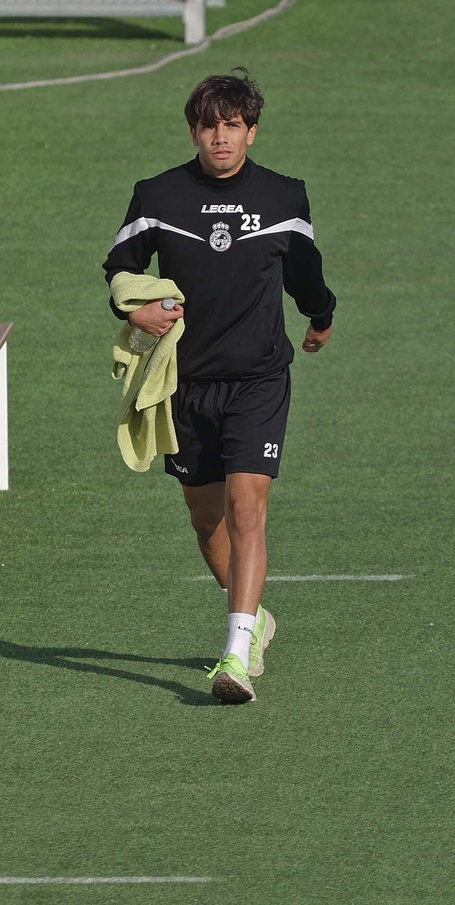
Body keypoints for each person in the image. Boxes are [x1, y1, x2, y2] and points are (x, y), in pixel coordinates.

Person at [101, 69, 336, 704]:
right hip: (183, 384)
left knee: (246, 507)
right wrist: (135, 312)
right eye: (209, 125)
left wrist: (321, 316)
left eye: (232, 125)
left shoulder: (286, 196)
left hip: (258, 378)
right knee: (207, 521)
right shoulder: (157, 196)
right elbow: (120, 268)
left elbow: (305, 272)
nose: (219, 137)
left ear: (252, 132)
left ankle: (234, 654)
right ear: (195, 131)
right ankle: (254, 619)